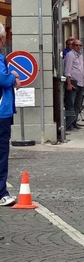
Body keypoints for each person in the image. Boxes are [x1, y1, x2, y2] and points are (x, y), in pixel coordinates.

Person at [0, 22, 20, 206]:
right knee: (1, 153)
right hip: (1, 113)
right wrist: (13, 76)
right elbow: (3, 80)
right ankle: (1, 193)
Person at [64, 39, 84, 130]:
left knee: (78, 104)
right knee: (70, 104)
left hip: (80, 82)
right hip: (73, 82)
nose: (78, 47)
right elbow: (67, 70)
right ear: (72, 46)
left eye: (80, 45)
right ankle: (69, 124)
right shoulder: (70, 55)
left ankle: (74, 122)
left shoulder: (80, 56)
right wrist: (68, 83)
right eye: (76, 45)